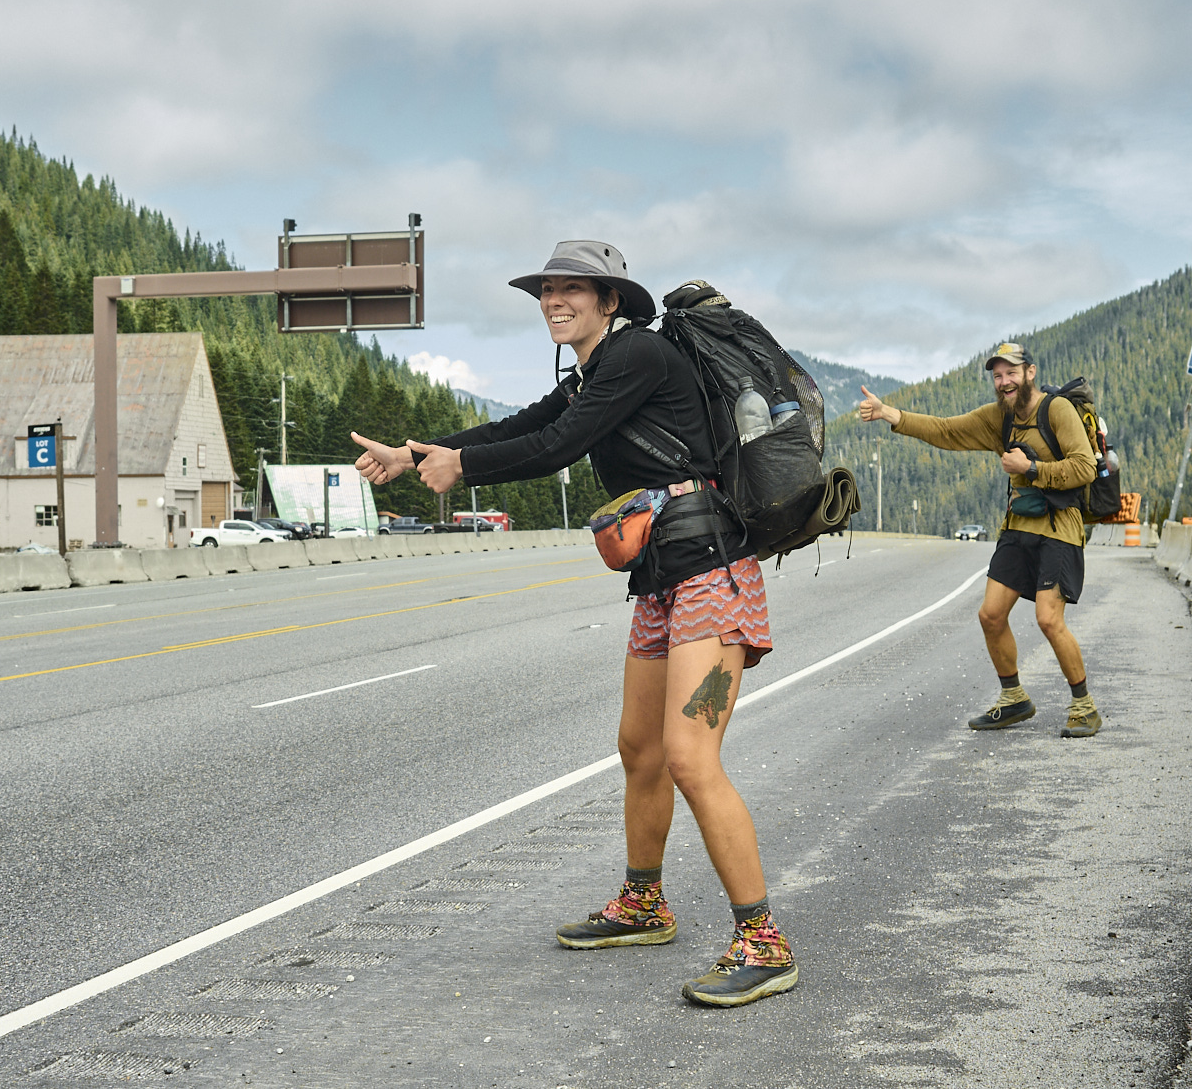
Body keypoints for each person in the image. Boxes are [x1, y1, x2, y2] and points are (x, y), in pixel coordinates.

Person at [350, 240, 797, 1006]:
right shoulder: (597, 369)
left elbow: (559, 445)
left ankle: (764, 940)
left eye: (572, 291)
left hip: (712, 569)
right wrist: (422, 450)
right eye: (547, 291)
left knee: (690, 757)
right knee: (639, 747)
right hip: (662, 575)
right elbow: (528, 420)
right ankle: (644, 901)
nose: (555, 301)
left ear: (610, 300)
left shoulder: (639, 358)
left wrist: (463, 469)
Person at [856, 341, 1102, 737]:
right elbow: (946, 430)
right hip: (1018, 525)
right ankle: (1014, 699)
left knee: (1048, 619)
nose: (1004, 382)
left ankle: (1084, 706)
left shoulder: (1057, 410)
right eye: (997, 375)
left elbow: (1085, 466)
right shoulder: (998, 418)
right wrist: (890, 414)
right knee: (990, 615)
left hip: (1060, 529)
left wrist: (1032, 467)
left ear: (1030, 373)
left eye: (1011, 372)